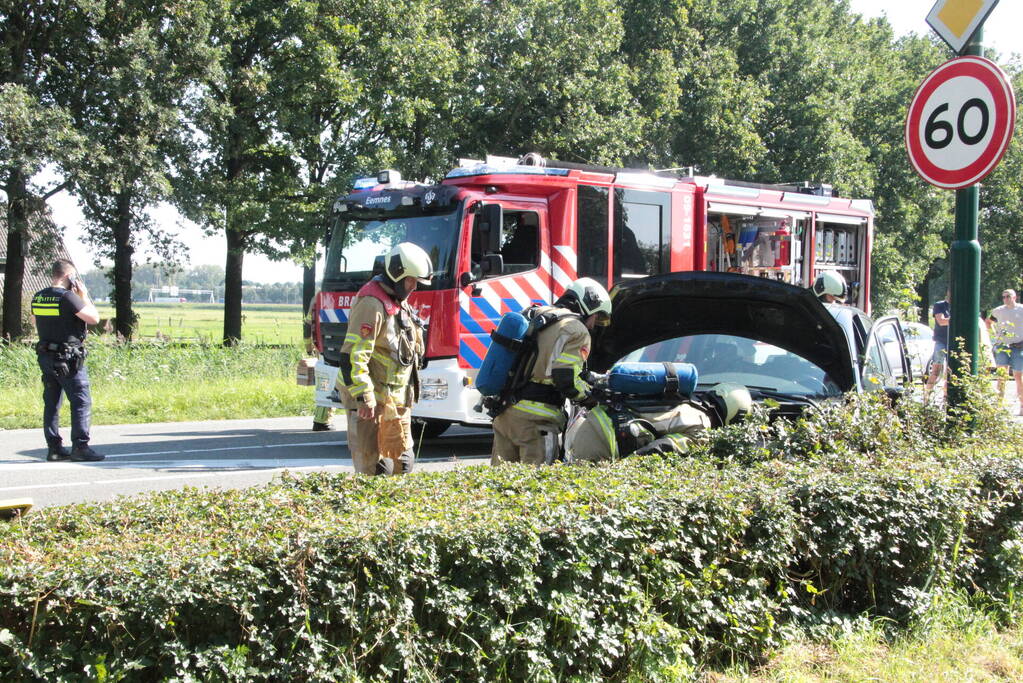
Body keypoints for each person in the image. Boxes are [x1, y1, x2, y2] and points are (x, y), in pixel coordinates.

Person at [491, 277, 612, 466]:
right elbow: (565, 378)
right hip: (536, 421)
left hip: (505, 413)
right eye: (597, 317)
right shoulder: (577, 331)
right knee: (538, 480)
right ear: (589, 306)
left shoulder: (537, 314)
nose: (592, 325)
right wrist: (590, 396)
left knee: (499, 480)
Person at [334, 243, 429, 475]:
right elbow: (353, 355)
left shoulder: (397, 301)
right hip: (371, 401)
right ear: (396, 274)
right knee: (376, 470)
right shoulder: (371, 303)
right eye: (411, 281)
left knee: (403, 464)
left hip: (395, 401)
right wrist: (364, 397)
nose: (414, 287)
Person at [567, 382, 752, 463]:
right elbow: (659, 451)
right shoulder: (701, 430)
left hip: (590, 423)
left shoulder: (686, 401)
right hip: (603, 442)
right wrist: (622, 470)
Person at [30, 260, 103, 462]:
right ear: (68, 276)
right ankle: (80, 447)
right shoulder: (68, 297)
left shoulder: (39, 296)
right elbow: (94, 319)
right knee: (81, 402)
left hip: (46, 357)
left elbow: (35, 320)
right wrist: (84, 296)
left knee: (52, 403)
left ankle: (54, 449)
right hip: (68, 359)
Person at [987, 288, 1023, 413]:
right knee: (1002, 375)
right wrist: (994, 333)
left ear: (1015, 297)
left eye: (1008, 296)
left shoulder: (1021, 309)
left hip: (1018, 346)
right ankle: (999, 406)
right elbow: (988, 322)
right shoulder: (998, 310)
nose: (1006, 299)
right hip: (1002, 345)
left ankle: (1022, 406)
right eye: (1004, 297)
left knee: (1018, 376)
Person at [303, 289, 334, 432]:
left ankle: (322, 420)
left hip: (322, 346)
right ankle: (321, 421)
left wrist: (309, 347)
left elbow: (308, 324)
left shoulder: (318, 297)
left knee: (325, 383)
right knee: (329, 384)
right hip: (335, 346)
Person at [923, 288, 951, 403]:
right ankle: (926, 397)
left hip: (953, 342)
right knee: (936, 371)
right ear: (947, 292)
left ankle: (946, 398)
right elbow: (941, 321)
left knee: (950, 372)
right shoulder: (940, 305)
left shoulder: (959, 307)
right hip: (941, 341)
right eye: (950, 292)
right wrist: (957, 319)